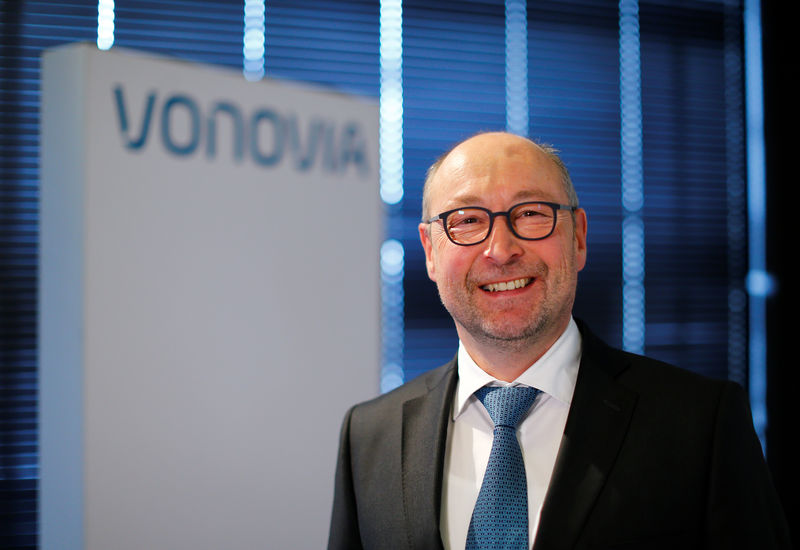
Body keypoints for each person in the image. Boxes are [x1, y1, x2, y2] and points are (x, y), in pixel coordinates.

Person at [327, 131, 790, 549]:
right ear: (430, 252)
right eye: (467, 221)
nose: (502, 250)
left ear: (579, 238)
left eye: (531, 214)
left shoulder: (700, 424)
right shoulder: (370, 436)